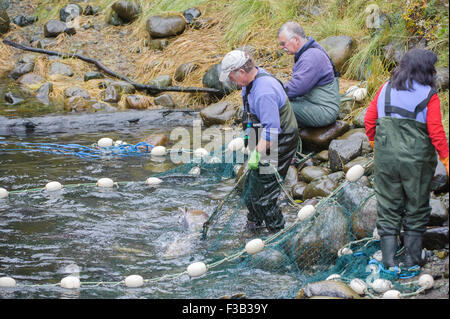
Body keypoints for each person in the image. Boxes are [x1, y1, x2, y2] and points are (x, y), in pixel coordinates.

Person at [364, 48, 449, 273]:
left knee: (389, 206)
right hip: (416, 163)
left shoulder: (385, 89)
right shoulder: (429, 96)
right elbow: (437, 132)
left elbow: (369, 120)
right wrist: (447, 160)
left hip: (386, 160)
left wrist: (377, 146)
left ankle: (389, 261)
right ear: (425, 70)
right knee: (417, 206)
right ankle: (412, 259)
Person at [219, 49, 299, 233]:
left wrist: (256, 154)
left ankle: (277, 233)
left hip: (280, 140)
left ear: (241, 71)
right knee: (249, 185)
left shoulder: (264, 91)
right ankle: (254, 223)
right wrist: (249, 138)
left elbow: (272, 132)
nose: (231, 82)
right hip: (262, 135)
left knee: (265, 194)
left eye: (231, 77)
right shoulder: (249, 83)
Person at [277, 21, 341, 128]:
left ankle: (271, 142)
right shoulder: (309, 52)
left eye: (283, 44)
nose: (282, 48)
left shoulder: (311, 57)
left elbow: (297, 88)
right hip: (312, 102)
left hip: (324, 110)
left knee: (275, 107)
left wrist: (274, 93)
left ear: (296, 40)